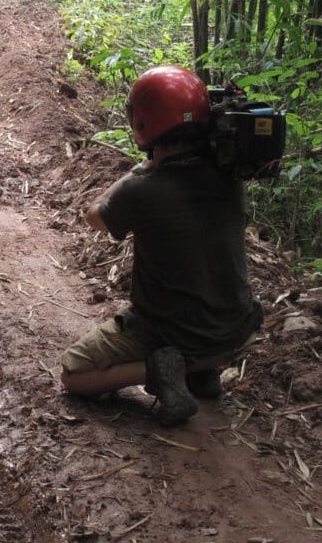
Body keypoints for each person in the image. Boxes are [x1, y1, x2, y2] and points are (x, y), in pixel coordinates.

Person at [60, 65, 263, 426]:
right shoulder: (231, 177)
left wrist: (140, 169)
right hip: (235, 329)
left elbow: (94, 216)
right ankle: (203, 368)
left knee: (74, 372)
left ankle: (164, 368)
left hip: (170, 331)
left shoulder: (142, 189)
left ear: (144, 121)